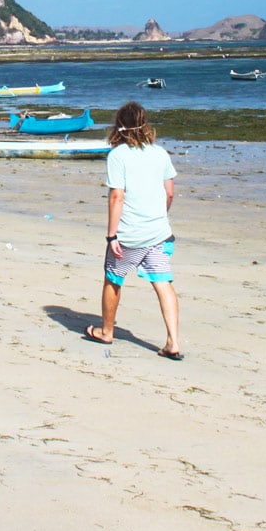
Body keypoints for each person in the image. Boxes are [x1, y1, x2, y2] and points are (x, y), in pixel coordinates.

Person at [85, 100, 182, 360]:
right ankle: (173, 341)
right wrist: (159, 216)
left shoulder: (118, 155)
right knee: (163, 282)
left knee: (113, 278)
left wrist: (111, 235)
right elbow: (169, 193)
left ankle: (106, 331)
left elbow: (117, 197)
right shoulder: (160, 153)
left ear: (120, 126)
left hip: (129, 235)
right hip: (159, 233)